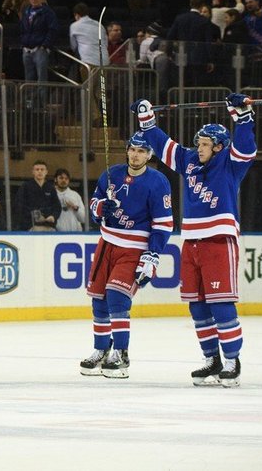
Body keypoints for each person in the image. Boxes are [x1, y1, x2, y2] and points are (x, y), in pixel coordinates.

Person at [131, 94, 255, 387]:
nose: (198, 148)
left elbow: (246, 146)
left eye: (204, 144)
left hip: (218, 241)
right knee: (197, 305)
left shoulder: (230, 163)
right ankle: (211, 359)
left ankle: (232, 361)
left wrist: (243, 115)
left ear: (219, 147)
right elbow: (162, 145)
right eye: (198, 143)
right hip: (192, 242)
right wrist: (146, 119)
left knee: (221, 303)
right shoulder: (188, 160)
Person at [80, 132, 173, 378]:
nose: (135, 155)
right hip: (107, 242)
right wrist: (101, 208)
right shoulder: (111, 174)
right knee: (98, 299)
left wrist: (152, 256)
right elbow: (93, 205)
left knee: (117, 297)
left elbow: (163, 224)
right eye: (133, 149)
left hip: (134, 248)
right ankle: (101, 349)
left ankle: (121, 352)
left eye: (142, 151)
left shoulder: (158, 182)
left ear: (149, 155)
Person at [16, 160, 60, 231]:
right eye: (37, 169)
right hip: (31, 226)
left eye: (42, 169)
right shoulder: (26, 186)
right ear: (33, 172)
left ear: (46, 172)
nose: (40, 171)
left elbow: (57, 206)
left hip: (49, 226)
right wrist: (35, 215)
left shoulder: (50, 188)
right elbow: (20, 205)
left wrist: (53, 216)